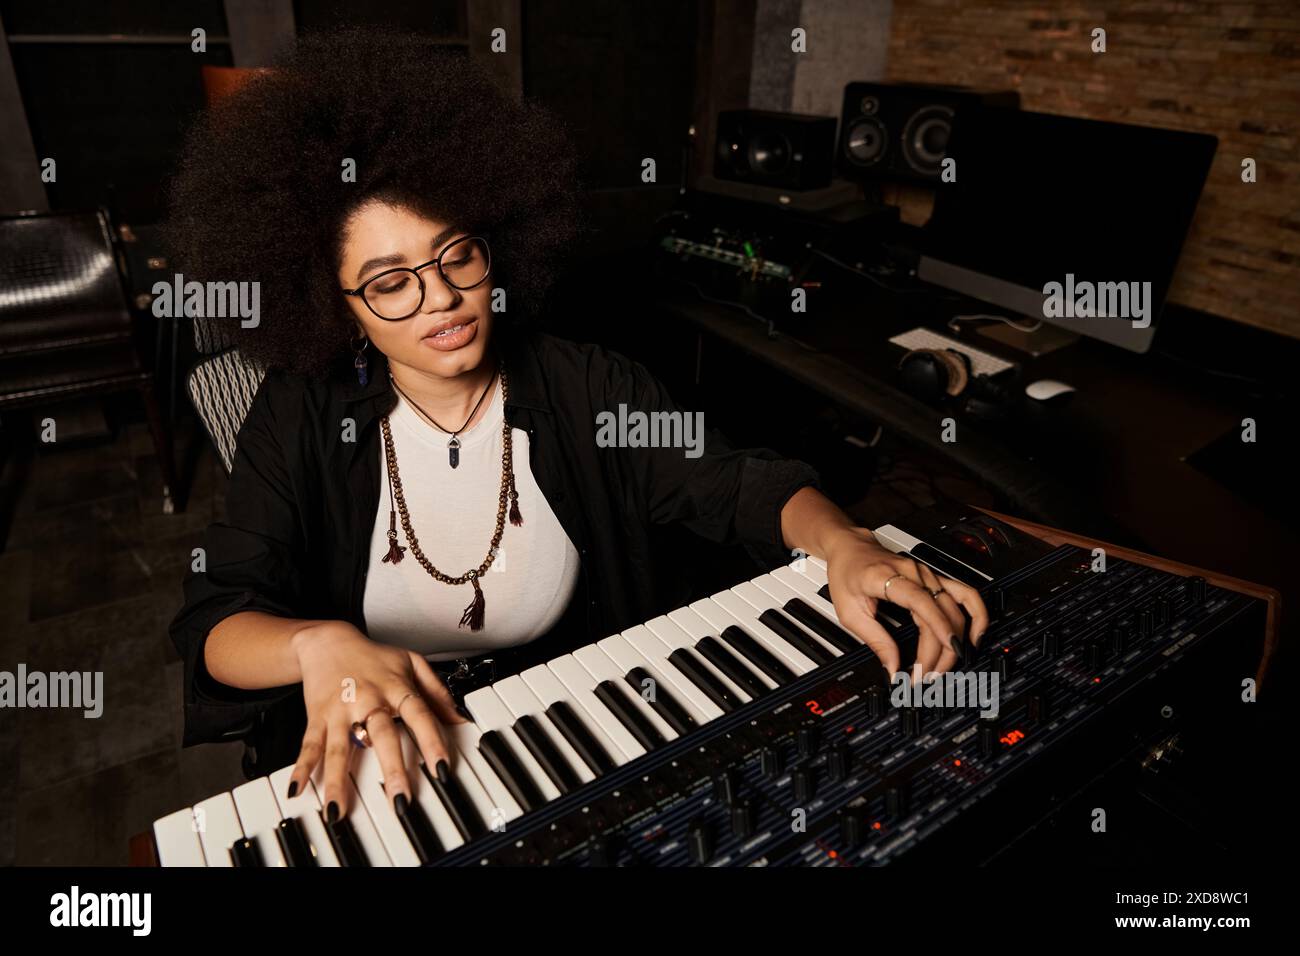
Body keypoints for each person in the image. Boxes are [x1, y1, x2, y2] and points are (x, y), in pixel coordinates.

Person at [167, 28, 987, 823]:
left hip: (570, 715)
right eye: (390, 283)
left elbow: (735, 482)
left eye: (457, 256)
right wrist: (315, 647)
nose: (442, 297)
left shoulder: (585, 382)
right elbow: (217, 620)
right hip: (378, 742)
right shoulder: (300, 412)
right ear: (338, 311)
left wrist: (844, 543)